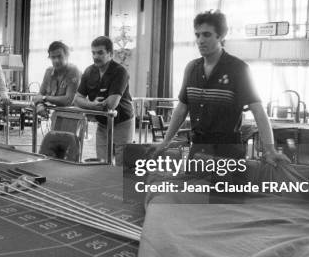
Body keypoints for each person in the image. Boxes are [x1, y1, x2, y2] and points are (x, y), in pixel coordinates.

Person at [155, 10, 289, 165]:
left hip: (227, 153)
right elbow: (181, 109)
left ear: (221, 36)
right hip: (197, 150)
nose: (200, 40)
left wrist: (270, 150)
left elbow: (258, 111)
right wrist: (165, 142)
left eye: (206, 35)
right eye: (197, 35)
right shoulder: (191, 68)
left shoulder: (238, 69)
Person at [74, 36, 134, 166]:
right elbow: (77, 99)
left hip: (122, 122)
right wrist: (93, 105)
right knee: (101, 163)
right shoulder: (89, 71)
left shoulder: (120, 71)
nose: (96, 56)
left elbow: (112, 104)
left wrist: (88, 106)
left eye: (100, 52)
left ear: (110, 54)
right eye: (93, 53)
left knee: (121, 166)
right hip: (102, 123)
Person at [31, 41, 81, 118]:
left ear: (67, 55)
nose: (56, 60)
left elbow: (68, 100)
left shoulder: (74, 71)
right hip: (56, 116)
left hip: (73, 117)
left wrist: (44, 98)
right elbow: (40, 95)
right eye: (53, 57)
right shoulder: (48, 71)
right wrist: (40, 105)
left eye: (59, 56)